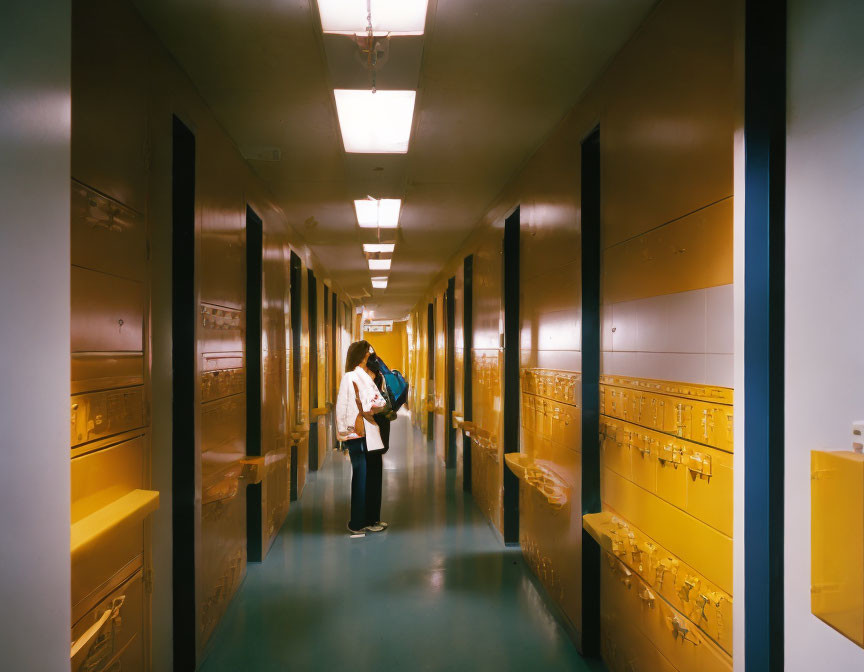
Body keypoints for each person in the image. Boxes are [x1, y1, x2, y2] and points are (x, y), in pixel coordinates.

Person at [335, 340, 388, 535]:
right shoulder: (350, 377)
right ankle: (357, 522)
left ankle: (368, 519)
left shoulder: (371, 375)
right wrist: (343, 432)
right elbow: (342, 405)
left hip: (370, 431)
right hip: (356, 432)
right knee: (361, 474)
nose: (370, 354)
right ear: (361, 355)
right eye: (368, 352)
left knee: (369, 474)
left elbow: (379, 401)